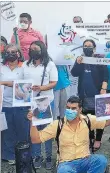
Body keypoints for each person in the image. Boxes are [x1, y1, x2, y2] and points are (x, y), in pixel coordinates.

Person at [28, 96, 110, 173]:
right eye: (68, 108)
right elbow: (36, 139)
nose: (70, 110)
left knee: (101, 160)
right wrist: (32, 121)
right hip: (66, 163)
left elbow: (109, 122)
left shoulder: (88, 120)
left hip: (85, 159)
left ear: (80, 110)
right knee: (64, 171)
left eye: (73, 108)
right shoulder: (57, 124)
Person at [22, 40, 58, 170]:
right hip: (30, 102)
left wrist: (42, 88)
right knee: (34, 130)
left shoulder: (49, 65)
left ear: (42, 50)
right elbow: (20, 82)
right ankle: (37, 156)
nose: (32, 51)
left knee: (47, 130)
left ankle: (48, 156)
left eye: (35, 48)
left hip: (45, 101)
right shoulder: (25, 65)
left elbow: (54, 82)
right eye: (31, 49)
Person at [71, 39, 109, 152]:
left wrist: (103, 88)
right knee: (88, 119)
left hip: (98, 93)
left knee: (100, 118)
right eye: (85, 46)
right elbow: (74, 73)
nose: (87, 48)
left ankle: (98, 139)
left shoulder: (99, 59)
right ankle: (90, 138)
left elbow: (106, 75)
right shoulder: (80, 59)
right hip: (85, 95)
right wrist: (78, 63)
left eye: (89, 46)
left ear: (94, 48)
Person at [0, 44, 26, 165]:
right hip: (5, 104)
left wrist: (4, 82)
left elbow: (23, 84)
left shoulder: (24, 68)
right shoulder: (1, 68)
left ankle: (23, 154)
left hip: (20, 104)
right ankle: (9, 155)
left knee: (21, 131)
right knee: (7, 132)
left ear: (18, 54)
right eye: (8, 52)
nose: (11, 54)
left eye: (13, 52)